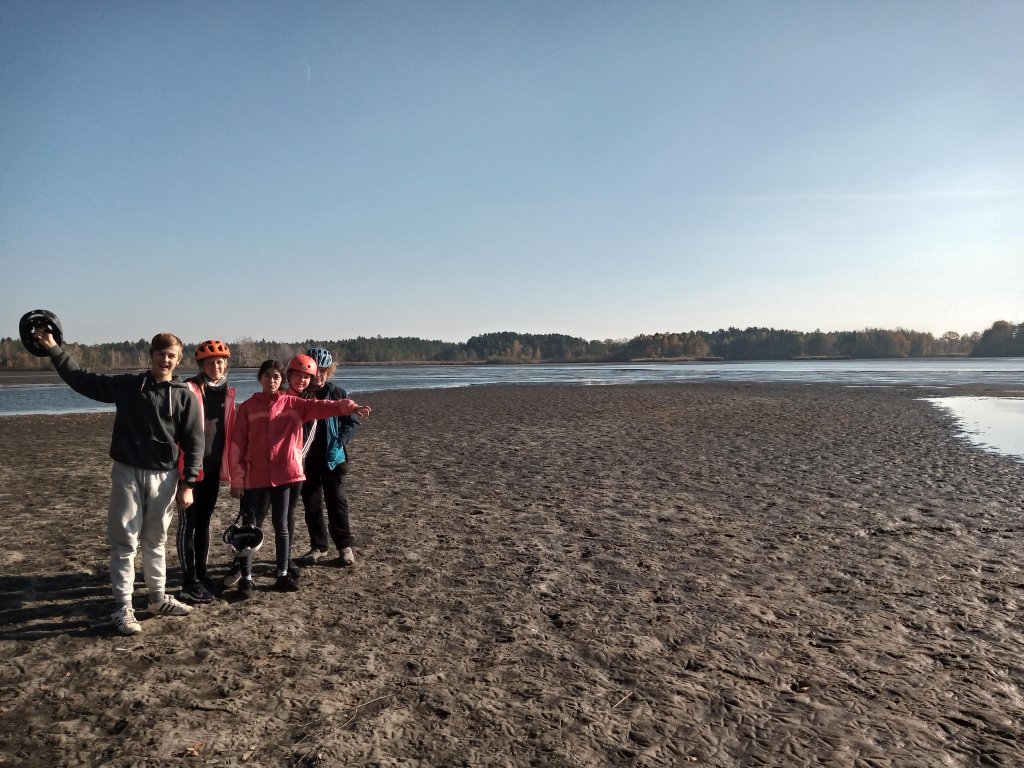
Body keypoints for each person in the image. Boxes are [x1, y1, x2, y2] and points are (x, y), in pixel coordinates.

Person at [33, 328, 203, 636]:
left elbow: (195, 442)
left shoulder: (184, 396)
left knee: (156, 540)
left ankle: (156, 598)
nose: (165, 360)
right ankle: (123, 606)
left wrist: (188, 483)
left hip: (165, 477)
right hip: (127, 472)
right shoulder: (129, 386)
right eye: (161, 354)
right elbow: (82, 380)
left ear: (178, 360)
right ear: (151, 355)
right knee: (125, 541)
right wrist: (54, 349)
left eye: (171, 356)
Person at [226, 359, 371, 596]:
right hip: (255, 477)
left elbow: (325, 406)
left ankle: (282, 574)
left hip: (286, 475)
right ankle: (246, 578)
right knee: (250, 529)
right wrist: (237, 479)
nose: (271, 380)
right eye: (267, 376)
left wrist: (350, 407)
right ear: (260, 378)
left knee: (282, 525)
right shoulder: (248, 407)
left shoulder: (294, 403)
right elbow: (237, 446)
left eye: (276, 376)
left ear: (281, 380)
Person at [176, 339, 236, 604]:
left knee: (204, 524)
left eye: (220, 362)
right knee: (187, 525)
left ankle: (201, 574)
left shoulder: (227, 393)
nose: (216, 366)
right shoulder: (189, 388)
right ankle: (188, 581)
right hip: (188, 471)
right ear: (201, 365)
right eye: (210, 363)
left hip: (212, 469)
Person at [298, 347, 362, 568]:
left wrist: (340, 441)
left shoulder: (337, 393)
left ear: (329, 371)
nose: (319, 375)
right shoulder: (300, 394)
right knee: (312, 504)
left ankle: (344, 547)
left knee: (337, 503)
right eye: (315, 370)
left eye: (323, 370)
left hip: (333, 458)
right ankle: (318, 546)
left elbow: (352, 421)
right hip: (306, 460)